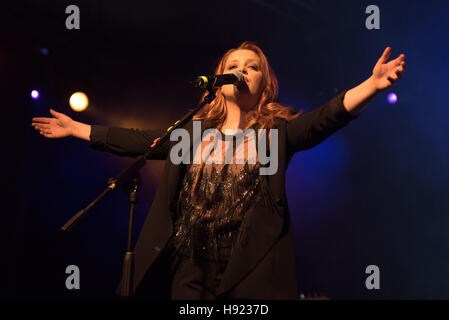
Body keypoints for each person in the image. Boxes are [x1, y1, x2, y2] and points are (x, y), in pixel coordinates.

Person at [31, 41, 406, 299]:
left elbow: (324, 119)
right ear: (219, 79)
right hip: (189, 264)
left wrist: (372, 85)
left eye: (252, 67)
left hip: (249, 266)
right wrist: (79, 129)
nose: (242, 71)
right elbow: (142, 141)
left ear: (265, 85)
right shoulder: (194, 132)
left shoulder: (275, 132)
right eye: (233, 67)